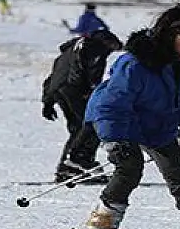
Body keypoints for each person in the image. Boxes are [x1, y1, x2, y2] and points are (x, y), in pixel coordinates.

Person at [78, 3, 180, 229]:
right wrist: (114, 139)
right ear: (171, 37)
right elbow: (112, 102)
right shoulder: (137, 63)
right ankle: (98, 228)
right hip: (117, 118)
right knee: (129, 167)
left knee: (178, 172)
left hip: (157, 124)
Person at [41, 29, 123, 182]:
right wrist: (89, 92)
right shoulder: (94, 48)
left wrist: (48, 101)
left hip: (60, 91)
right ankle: (80, 161)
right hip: (74, 90)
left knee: (77, 129)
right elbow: (86, 75)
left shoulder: (70, 50)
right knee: (93, 125)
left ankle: (67, 167)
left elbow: (53, 77)